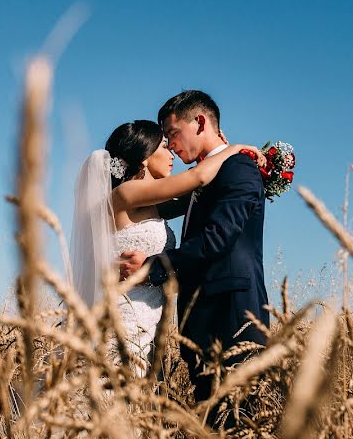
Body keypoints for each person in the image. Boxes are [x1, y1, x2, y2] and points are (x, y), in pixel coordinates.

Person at [69, 119, 262, 373]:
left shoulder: (151, 204)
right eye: (163, 146)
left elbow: (194, 197)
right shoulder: (126, 193)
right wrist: (233, 149)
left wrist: (218, 153)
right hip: (126, 315)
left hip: (146, 317)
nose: (171, 151)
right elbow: (198, 177)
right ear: (145, 157)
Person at [118, 91, 270, 403]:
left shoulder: (238, 168)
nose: (171, 145)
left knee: (238, 432)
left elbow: (217, 238)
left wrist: (151, 267)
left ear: (199, 122)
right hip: (199, 323)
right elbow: (185, 189)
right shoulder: (204, 176)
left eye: (173, 134)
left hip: (232, 317)